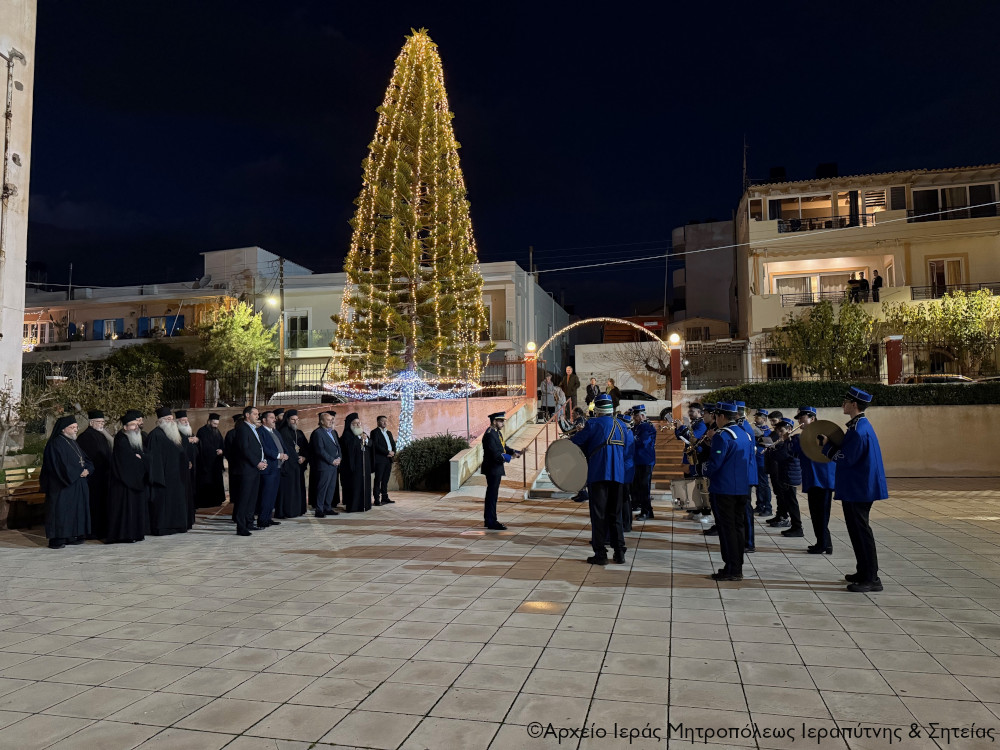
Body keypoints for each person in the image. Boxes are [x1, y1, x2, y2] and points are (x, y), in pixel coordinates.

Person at [819, 387, 888, 593]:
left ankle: (871, 578)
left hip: (860, 489)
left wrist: (827, 447)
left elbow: (846, 458)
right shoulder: (859, 426)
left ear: (854, 405)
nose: (843, 404)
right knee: (857, 532)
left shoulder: (859, 430)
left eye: (846, 401)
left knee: (861, 532)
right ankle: (863, 571)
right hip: (858, 487)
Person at [694, 402, 752, 581]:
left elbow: (716, 463)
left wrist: (699, 468)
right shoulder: (744, 433)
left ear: (721, 416)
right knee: (738, 527)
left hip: (724, 489)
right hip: (741, 488)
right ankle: (737, 566)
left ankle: (731, 568)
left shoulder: (723, 435)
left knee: (727, 530)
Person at [571, 394, 627, 565]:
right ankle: (619, 552)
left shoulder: (593, 423)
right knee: (615, 515)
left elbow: (575, 443)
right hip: (618, 475)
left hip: (598, 474)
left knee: (598, 515)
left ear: (597, 410)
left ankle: (600, 554)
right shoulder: (622, 425)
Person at [40, 416, 93, 549]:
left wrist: (88, 469)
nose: (76, 430)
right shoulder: (56, 443)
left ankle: (72, 535)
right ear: (63, 429)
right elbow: (59, 466)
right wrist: (78, 472)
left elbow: (85, 459)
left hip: (75, 483)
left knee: (74, 511)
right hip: (61, 486)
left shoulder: (73, 442)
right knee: (61, 512)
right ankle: (58, 539)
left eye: (76, 427)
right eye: (73, 427)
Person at [794, 406, 836, 554]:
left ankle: (824, 544)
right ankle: (824, 542)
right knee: (815, 513)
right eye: (799, 418)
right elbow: (797, 454)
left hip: (823, 480)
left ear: (812, 418)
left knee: (822, 514)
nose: (800, 421)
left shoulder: (822, 434)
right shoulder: (804, 435)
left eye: (802, 418)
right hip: (812, 479)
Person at [106, 410, 149, 544]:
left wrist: (140, 458)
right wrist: (138, 459)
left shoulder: (134, 437)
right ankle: (125, 535)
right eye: (132, 425)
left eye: (136, 424)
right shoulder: (121, 438)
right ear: (125, 427)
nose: (135, 427)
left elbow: (142, 456)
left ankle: (135, 533)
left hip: (134, 482)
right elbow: (126, 461)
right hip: (124, 484)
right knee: (125, 510)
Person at [146, 407, 190, 536]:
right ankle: (164, 527)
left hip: (177, 477)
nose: (171, 421)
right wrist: (159, 478)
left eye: (171, 419)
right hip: (164, 478)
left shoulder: (174, 434)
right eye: (168, 419)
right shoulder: (155, 435)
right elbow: (153, 459)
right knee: (163, 505)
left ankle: (177, 525)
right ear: (161, 421)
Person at [77, 410, 113, 540]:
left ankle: (100, 529)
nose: (101, 424)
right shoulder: (85, 437)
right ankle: (91, 531)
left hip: (103, 476)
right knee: (93, 504)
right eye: (99, 422)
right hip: (93, 478)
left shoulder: (101, 435)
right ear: (91, 422)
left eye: (102, 422)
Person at [481, 411, 519, 530]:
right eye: (501, 421)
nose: (503, 423)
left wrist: (514, 452)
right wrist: (509, 457)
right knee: (492, 495)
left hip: (496, 468)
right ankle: (491, 521)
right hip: (492, 468)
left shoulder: (496, 433)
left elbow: (503, 447)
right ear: (494, 421)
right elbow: (495, 453)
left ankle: (489, 519)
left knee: (493, 495)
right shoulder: (489, 434)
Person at [233, 405, 267, 536]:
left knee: (252, 498)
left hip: (255, 469)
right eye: (255, 414)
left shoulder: (254, 429)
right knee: (244, 498)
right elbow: (244, 449)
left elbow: (257, 448)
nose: (257, 416)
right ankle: (241, 527)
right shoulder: (242, 429)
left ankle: (249, 522)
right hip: (246, 469)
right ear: (247, 415)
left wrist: (263, 461)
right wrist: (257, 462)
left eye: (258, 414)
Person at [769, 418, 803, 538]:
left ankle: (797, 527)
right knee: (789, 501)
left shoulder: (793, 440)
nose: (779, 433)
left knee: (792, 503)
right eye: (778, 431)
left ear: (789, 429)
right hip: (786, 474)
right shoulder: (786, 441)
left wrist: (773, 450)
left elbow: (781, 455)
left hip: (791, 475)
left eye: (781, 430)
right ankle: (794, 526)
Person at [256, 411, 287, 528]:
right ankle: (262, 519)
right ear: (264, 420)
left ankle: (268, 517)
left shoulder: (275, 431)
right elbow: (264, 448)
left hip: (277, 468)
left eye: (274, 418)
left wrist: (285, 454)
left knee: (273, 495)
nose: (274, 420)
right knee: (266, 495)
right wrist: (279, 456)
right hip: (268, 469)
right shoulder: (260, 432)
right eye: (271, 418)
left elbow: (282, 446)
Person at [309, 411, 341, 517]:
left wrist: (339, 458)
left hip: (334, 465)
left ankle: (328, 507)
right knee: (322, 488)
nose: (331, 421)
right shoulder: (318, 433)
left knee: (331, 488)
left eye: (332, 420)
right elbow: (320, 450)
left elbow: (338, 446)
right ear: (322, 421)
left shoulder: (333, 432)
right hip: (324, 465)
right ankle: (319, 509)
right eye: (328, 420)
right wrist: (332, 460)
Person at [277, 409, 308, 518]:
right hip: (289, 466)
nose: (295, 422)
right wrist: (296, 458)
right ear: (287, 420)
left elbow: (306, 447)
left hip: (298, 466)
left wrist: (304, 457)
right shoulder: (283, 432)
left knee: (298, 488)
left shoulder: (299, 432)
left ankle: (298, 510)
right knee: (289, 490)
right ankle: (288, 511)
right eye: (292, 420)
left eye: (296, 419)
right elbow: (287, 448)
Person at [340, 413, 372, 513]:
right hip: (353, 467)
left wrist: (366, 440)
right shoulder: (347, 434)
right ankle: (354, 506)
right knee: (354, 486)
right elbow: (349, 447)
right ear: (351, 425)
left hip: (364, 466)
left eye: (359, 423)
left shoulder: (363, 433)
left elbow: (371, 444)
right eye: (355, 423)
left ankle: (365, 505)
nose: (358, 425)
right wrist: (359, 440)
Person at [195, 413, 226, 508]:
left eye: (217, 424)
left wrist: (222, 451)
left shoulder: (217, 431)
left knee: (216, 482)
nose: (216, 426)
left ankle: (217, 501)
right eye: (214, 423)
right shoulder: (202, 431)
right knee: (206, 482)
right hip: (206, 463)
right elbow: (202, 447)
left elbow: (222, 444)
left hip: (216, 463)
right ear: (209, 422)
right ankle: (206, 502)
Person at [632, 405, 657, 521]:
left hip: (646, 460)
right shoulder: (637, 427)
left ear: (642, 416)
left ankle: (646, 511)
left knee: (644, 487)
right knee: (639, 486)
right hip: (639, 460)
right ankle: (646, 510)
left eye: (636, 415)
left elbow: (644, 442)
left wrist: (631, 439)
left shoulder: (646, 427)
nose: (634, 418)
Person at [175, 410, 198, 529]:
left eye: (187, 420)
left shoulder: (188, 432)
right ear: (178, 422)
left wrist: (196, 441)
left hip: (191, 468)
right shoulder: (176, 433)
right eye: (184, 421)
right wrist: (187, 441)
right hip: (181, 469)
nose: (186, 422)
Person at [673, 403, 707, 477]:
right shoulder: (693, 423)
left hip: (697, 456)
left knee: (693, 480)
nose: (689, 413)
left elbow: (692, 437)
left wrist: (682, 427)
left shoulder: (701, 424)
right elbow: (680, 437)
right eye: (689, 411)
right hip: (689, 456)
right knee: (687, 478)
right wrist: (677, 428)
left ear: (698, 411)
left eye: (692, 411)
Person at [370, 415, 397, 506]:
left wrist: (393, 452)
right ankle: (377, 499)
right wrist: (387, 452)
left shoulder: (389, 432)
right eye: (382, 421)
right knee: (378, 479)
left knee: (385, 479)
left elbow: (393, 443)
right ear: (378, 422)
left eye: (386, 421)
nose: (385, 423)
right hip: (380, 459)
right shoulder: (374, 432)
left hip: (389, 459)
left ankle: (385, 497)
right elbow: (376, 445)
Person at [752, 409, 773, 517]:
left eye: (757, 417)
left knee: (764, 484)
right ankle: (759, 505)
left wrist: (761, 436)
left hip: (762, 460)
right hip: (756, 459)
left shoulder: (767, 430)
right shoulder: (755, 429)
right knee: (758, 484)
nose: (755, 419)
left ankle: (767, 507)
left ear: (764, 419)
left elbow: (768, 442)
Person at [616, 411, 635, 534]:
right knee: (625, 498)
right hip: (626, 468)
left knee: (624, 498)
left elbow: (623, 453)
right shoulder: (629, 432)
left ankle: (626, 524)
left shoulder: (626, 434)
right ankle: (626, 523)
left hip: (625, 469)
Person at [224, 414, 244, 521]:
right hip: (236, 467)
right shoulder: (231, 434)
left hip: (240, 467)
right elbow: (228, 450)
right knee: (238, 493)